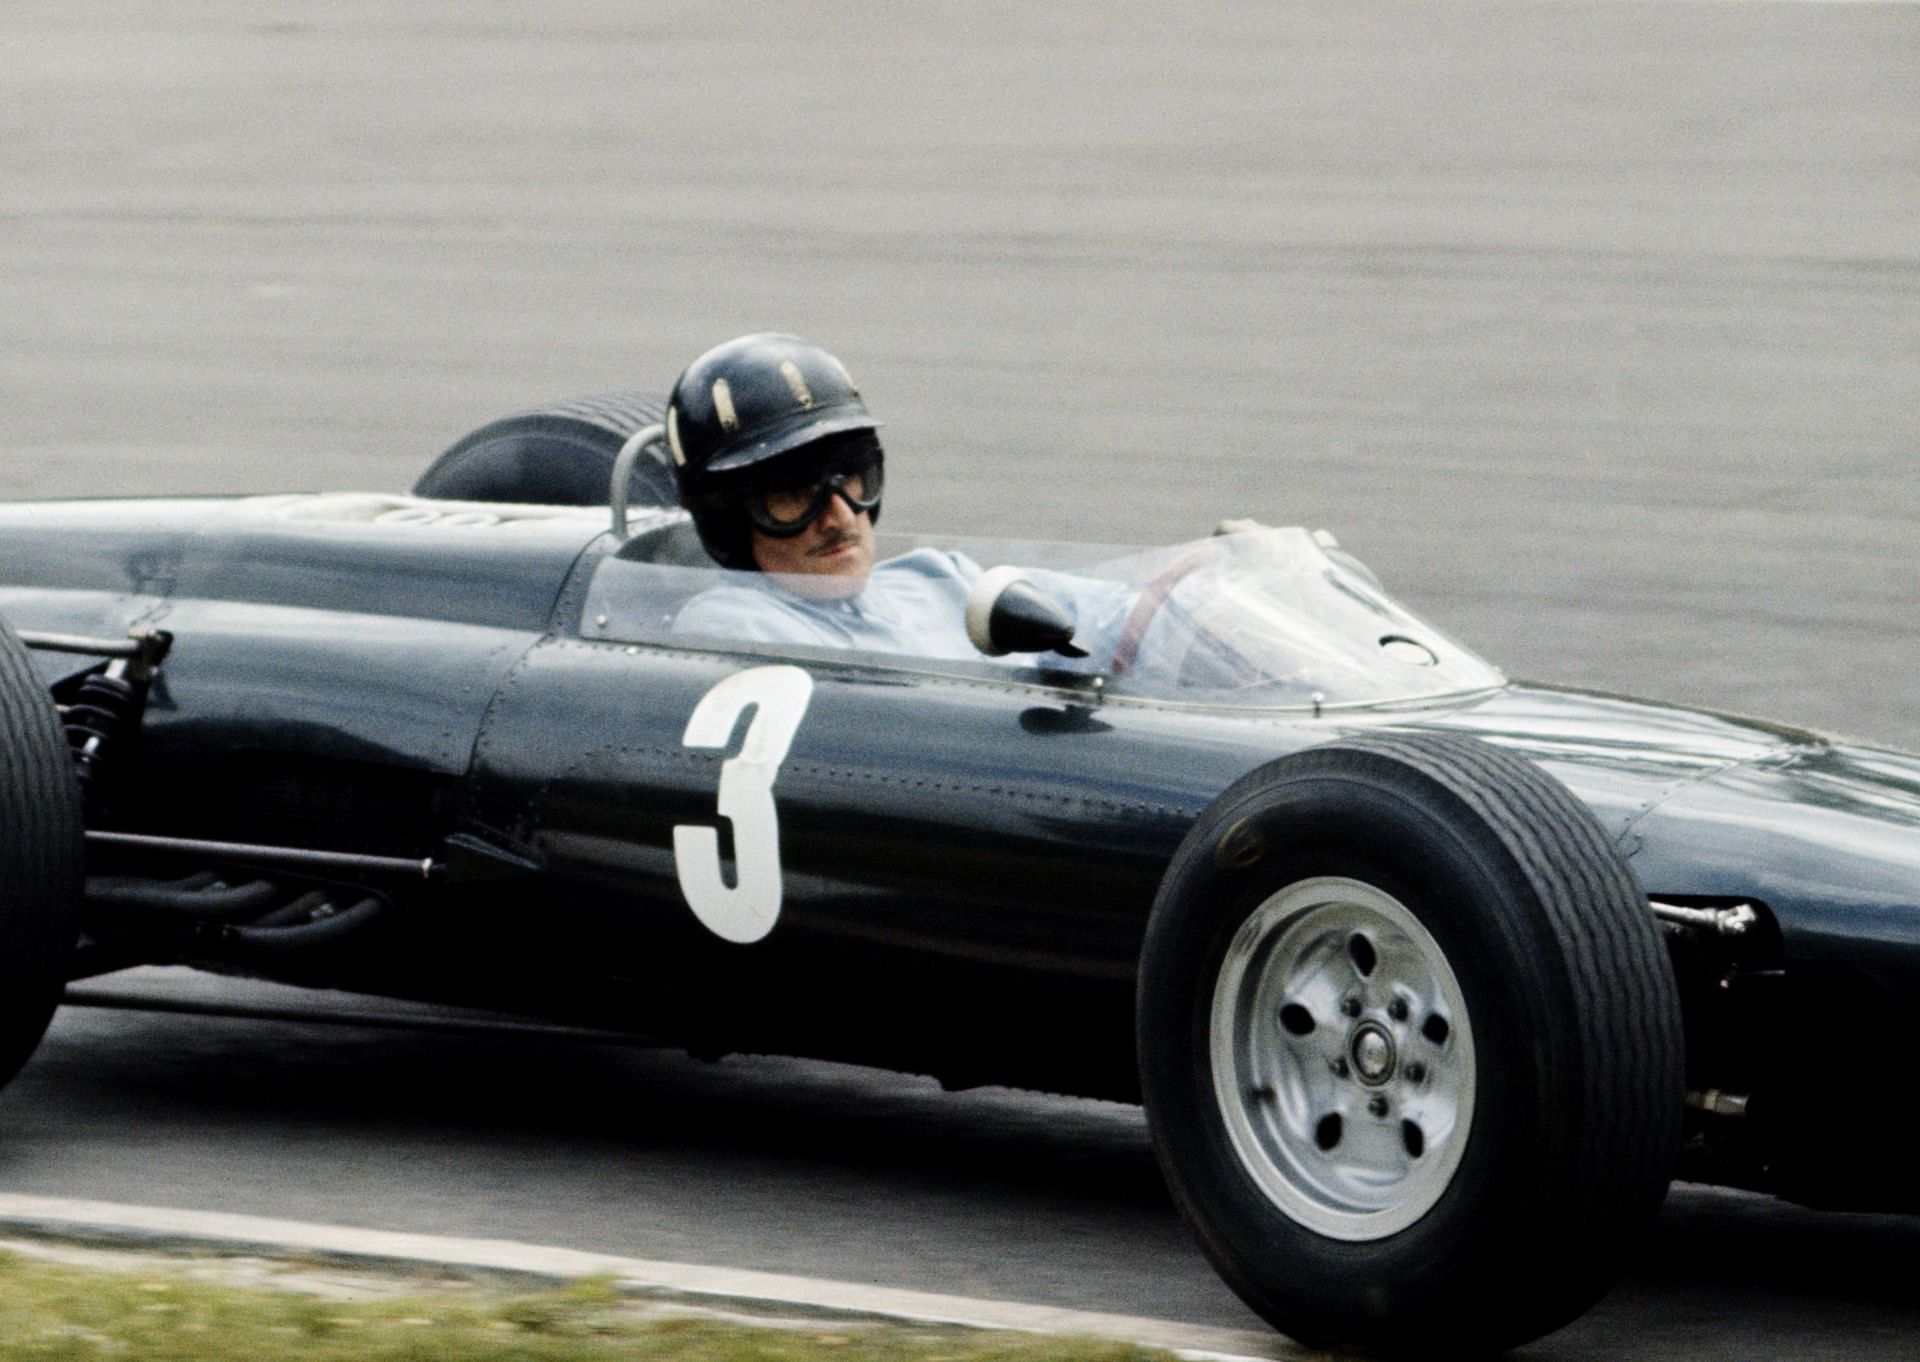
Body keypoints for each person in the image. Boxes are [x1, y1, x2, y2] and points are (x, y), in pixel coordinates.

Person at [666, 333, 1131, 661]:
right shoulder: (734, 627)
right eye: (792, 496)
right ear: (729, 522)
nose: (839, 516)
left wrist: (1188, 587)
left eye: (850, 479)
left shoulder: (939, 579)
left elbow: (1118, 619)